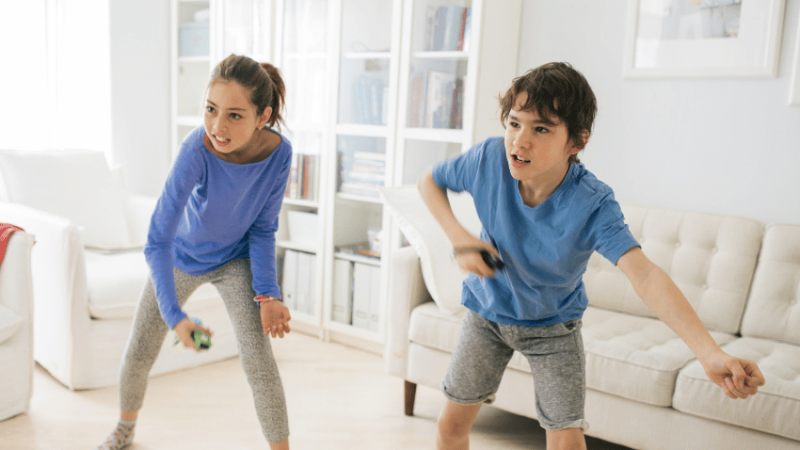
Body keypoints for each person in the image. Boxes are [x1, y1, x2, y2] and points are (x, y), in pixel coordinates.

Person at [417, 62, 766, 450]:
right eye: (514, 123)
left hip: (554, 329)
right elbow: (429, 181)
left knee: (567, 441)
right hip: (487, 314)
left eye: (541, 129)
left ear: (576, 142)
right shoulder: (487, 160)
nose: (519, 141)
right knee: (450, 427)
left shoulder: (592, 202)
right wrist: (459, 237)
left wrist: (710, 353)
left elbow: (644, 275)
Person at [95, 54, 293, 450]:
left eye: (235, 115)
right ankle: (125, 429)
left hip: (235, 259)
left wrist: (268, 294)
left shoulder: (279, 154)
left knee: (259, 360)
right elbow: (157, 240)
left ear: (262, 116)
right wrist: (177, 318)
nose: (218, 126)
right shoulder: (196, 150)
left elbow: (263, 227)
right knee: (140, 348)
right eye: (210, 109)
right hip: (181, 256)